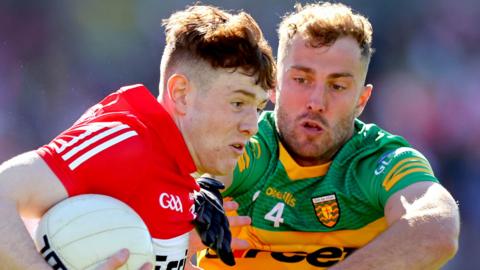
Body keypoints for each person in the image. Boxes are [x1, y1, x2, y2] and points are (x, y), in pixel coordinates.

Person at [0, 4, 275, 270]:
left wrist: (175, 250)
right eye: (238, 103)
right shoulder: (124, 141)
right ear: (181, 94)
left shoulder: (181, 174)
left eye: (259, 108)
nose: (252, 126)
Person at [195, 2, 460, 269]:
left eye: (338, 86)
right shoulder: (248, 144)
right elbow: (189, 182)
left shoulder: (380, 161)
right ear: (273, 86)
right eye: (301, 80)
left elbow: (437, 228)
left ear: (361, 100)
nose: (317, 101)